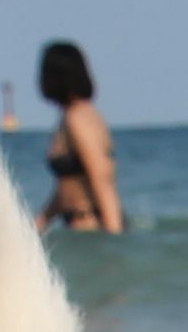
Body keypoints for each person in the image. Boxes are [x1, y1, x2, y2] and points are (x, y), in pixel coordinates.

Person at [35, 39, 122, 234]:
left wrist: (114, 236)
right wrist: (40, 222)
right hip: (78, 227)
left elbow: (101, 178)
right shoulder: (71, 117)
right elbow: (69, 185)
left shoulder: (77, 119)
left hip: (91, 225)